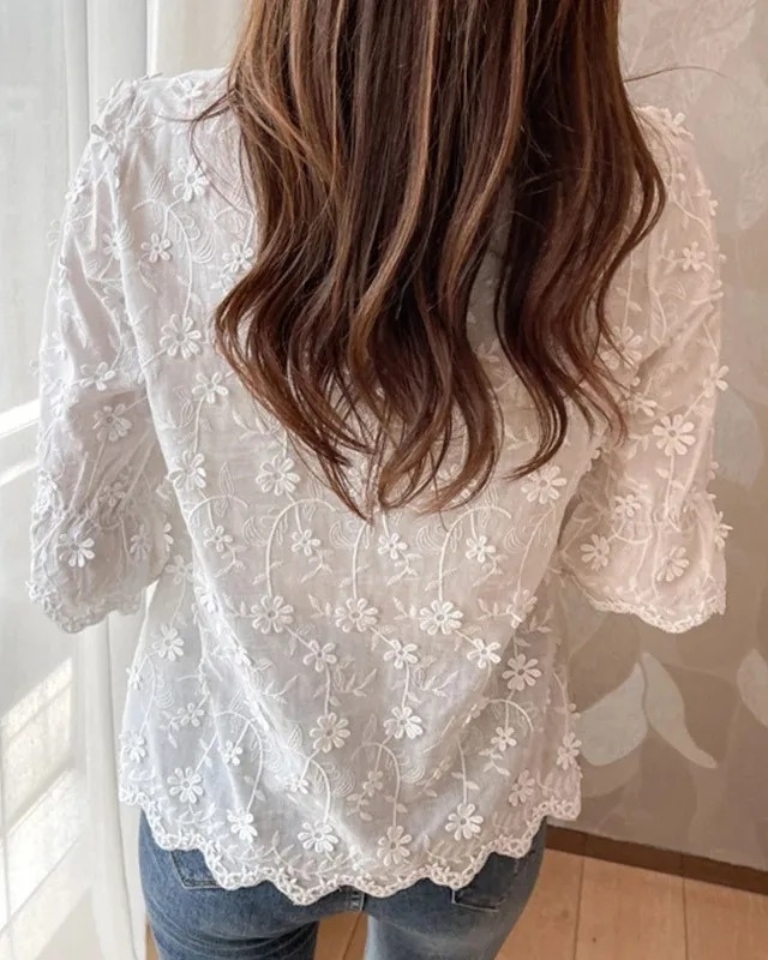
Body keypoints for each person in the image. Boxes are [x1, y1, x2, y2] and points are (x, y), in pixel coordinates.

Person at [29, 2, 728, 958]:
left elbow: (88, 539)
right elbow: (632, 554)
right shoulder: (644, 188)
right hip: (466, 807)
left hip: (227, 788)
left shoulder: (151, 147)